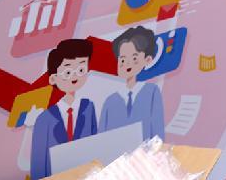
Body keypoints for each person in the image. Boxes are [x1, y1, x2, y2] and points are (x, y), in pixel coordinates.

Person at [29, 38, 98, 180]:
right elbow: (38, 164)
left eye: (81, 70)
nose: (75, 76)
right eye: (67, 72)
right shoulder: (44, 119)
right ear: (53, 79)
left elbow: (94, 144)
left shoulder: (88, 108)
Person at [100, 26, 165, 140]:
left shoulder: (151, 92)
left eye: (134, 58)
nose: (127, 63)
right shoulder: (110, 101)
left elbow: (157, 131)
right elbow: (101, 137)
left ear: (147, 60)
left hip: (145, 150)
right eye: (122, 59)